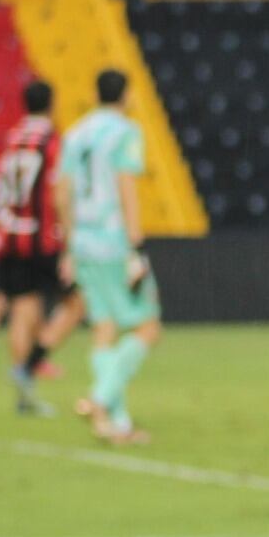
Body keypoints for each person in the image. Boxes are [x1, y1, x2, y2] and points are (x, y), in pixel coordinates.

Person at [57, 69, 161, 445]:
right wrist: (135, 244)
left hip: (83, 242)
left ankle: (115, 423)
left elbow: (62, 193)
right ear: (127, 95)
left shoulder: (76, 133)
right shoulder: (125, 132)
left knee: (103, 327)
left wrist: (70, 244)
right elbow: (125, 185)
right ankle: (99, 401)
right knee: (148, 327)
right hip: (113, 240)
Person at [0, 80, 77, 413]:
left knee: (21, 310)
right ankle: (30, 365)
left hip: (9, 239)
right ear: (51, 103)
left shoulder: (12, 141)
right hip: (40, 238)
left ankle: (24, 395)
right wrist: (68, 243)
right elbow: (59, 193)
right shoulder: (51, 142)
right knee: (76, 302)